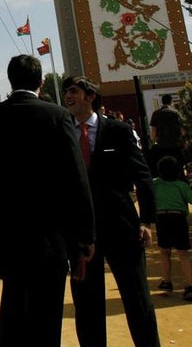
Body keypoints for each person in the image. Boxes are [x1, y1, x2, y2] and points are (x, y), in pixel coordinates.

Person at [0, 55, 95, 346]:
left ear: (10, 80)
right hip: (50, 238)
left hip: (9, 235)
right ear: (41, 81)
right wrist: (85, 236)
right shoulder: (57, 116)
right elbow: (77, 180)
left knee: (13, 308)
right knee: (47, 315)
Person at [62, 76, 160, 347]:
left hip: (122, 228)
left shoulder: (118, 131)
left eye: (73, 91)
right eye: (65, 92)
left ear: (90, 96)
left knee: (137, 299)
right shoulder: (63, 133)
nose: (68, 96)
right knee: (87, 304)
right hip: (82, 234)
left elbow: (143, 176)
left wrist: (147, 221)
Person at [152, 155, 192, 300]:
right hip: (178, 219)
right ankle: (189, 286)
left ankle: (167, 282)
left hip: (162, 219)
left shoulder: (156, 184)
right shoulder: (181, 186)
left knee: (165, 252)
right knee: (183, 254)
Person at [148, 93, 183, 171]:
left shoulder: (156, 113)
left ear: (162, 102)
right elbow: (182, 130)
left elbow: (153, 131)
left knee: (164, 168)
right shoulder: (176, 113)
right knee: (177, 167)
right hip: (175, 145)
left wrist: (153, 142)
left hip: (162, 145)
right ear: (171, 102)